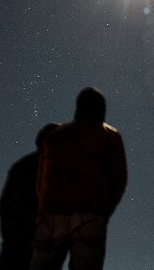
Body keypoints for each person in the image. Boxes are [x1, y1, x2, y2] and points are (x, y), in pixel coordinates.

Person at [30, 87, 127, 270]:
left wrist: (44, 211)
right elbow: (119, 179)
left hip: (52, 214)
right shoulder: (110, 136)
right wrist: (102, 212)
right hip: (90, 215)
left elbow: (42, 179)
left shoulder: (54, 135)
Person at [0, 123, 59, 270]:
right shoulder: (57, 170)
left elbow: (4, 205)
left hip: (17, 240)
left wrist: (9, 234)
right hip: (34, 242)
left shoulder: (21, 165)